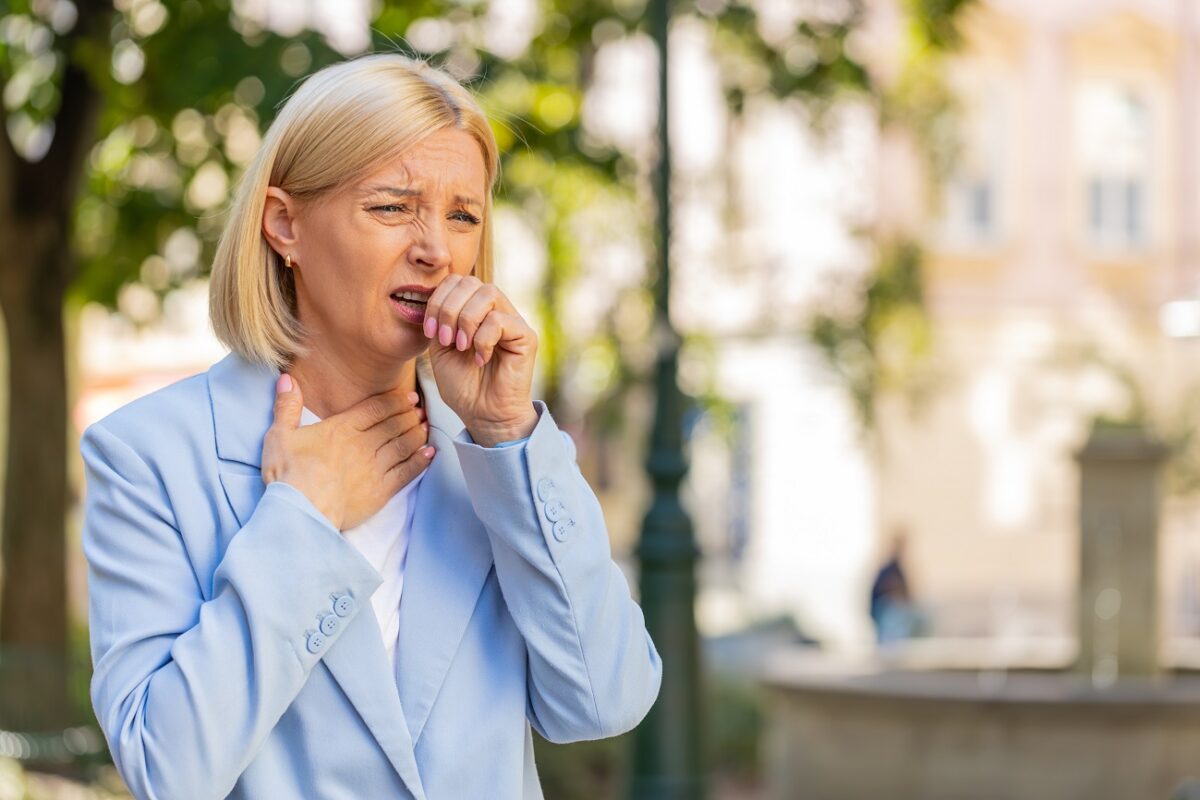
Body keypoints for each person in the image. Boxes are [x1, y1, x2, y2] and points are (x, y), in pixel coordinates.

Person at [80, 53, 662, 800]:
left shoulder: (495, 451)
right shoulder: (148, 455)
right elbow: (167, 770)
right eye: (392, 206)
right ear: (284, 225)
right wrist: (303, 522)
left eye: (463, 215)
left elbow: (604, 700)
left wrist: (510, 439)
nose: (436, 248)